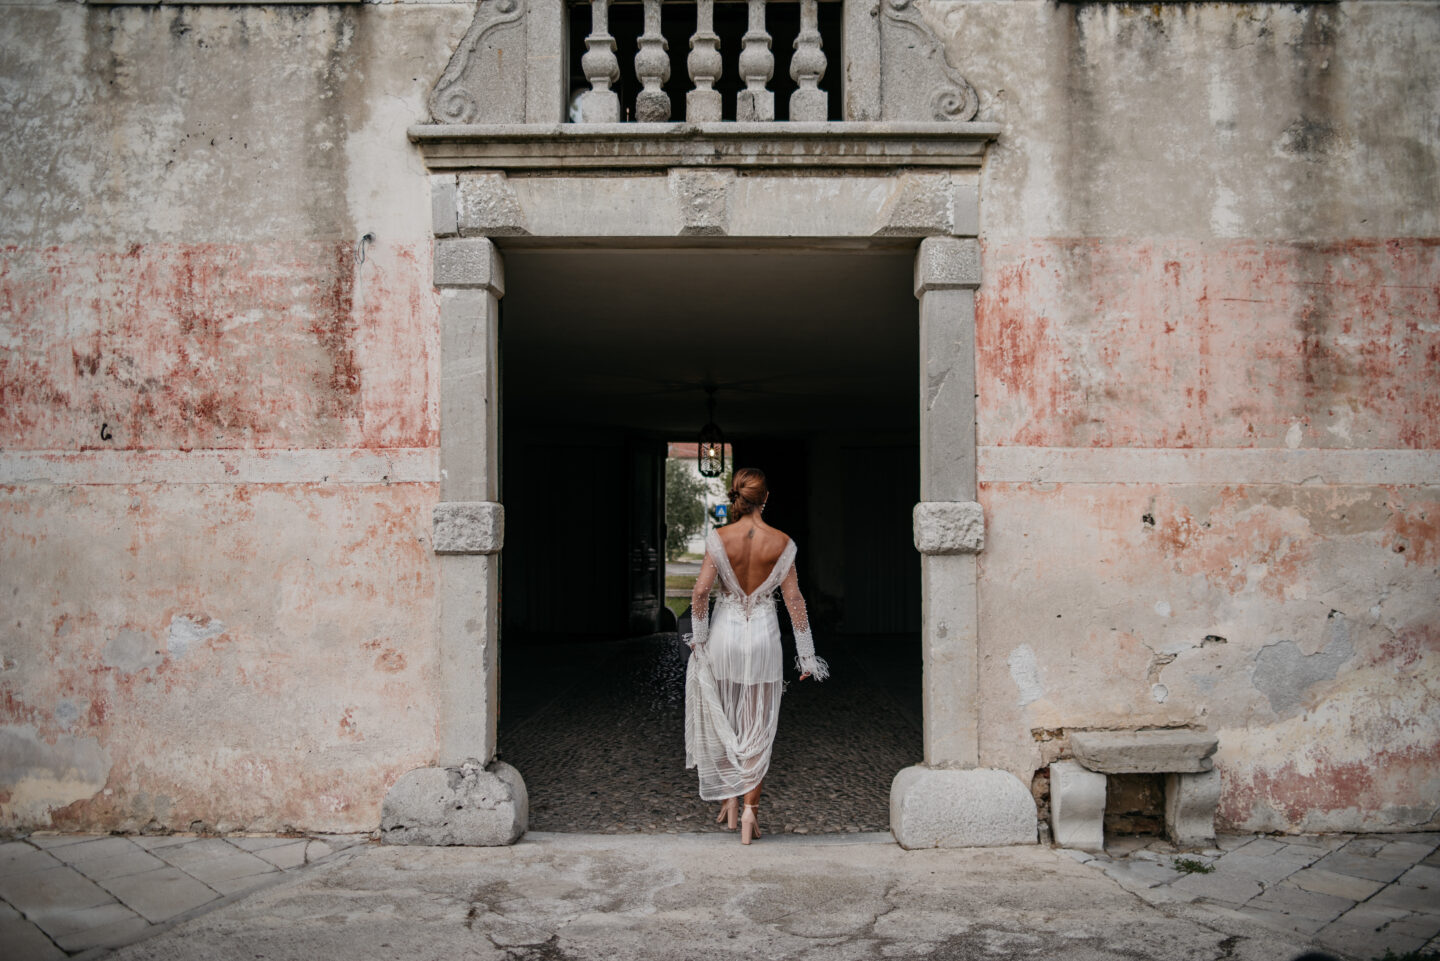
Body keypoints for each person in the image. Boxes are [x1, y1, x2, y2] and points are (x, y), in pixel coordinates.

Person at [683, 468, 828, 845]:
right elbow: (794, 600)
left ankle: (730, 803)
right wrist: (807, 656)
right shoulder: (782, 542)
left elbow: (700, 594)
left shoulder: (719, 538)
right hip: (764, 639)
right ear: (766, 498)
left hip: (724, 637)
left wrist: (698, 641)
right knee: (758, 726)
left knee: (726, 720)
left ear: (738, 497)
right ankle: (749, 812)